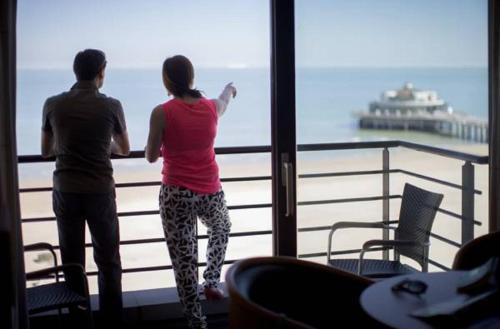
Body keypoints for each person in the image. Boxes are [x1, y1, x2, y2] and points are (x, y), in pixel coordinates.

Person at [145, 55, 236, 329]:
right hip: (210, 189)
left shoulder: (162, 112)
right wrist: (230, 89)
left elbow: (150, 156)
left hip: (176, 193)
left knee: (184, 261)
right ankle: (211, 280)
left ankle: (197, 323)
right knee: (221, 227)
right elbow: (224, 101)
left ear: (167, 80)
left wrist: (167, 148)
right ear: (192, 77)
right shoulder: (210, 108)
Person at [41, 49, 129, 326]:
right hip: (100, 191)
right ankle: (111, 321)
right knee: (108, 260)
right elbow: (124, 149)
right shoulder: (111, 105)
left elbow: (46, 151)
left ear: (75, 71)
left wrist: (68, 144)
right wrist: (106, 145)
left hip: (66, 190)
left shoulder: (53, 104)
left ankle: (79, 320)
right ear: (101, 71)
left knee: (73, 261)